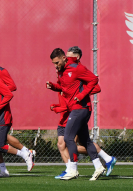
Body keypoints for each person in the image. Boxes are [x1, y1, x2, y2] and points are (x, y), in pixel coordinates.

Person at [50, 46, 116, 179]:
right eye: (54, 64)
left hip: (80, 109)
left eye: (57, 63)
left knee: (68, 138)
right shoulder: (62, 71)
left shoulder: (77, 68)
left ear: (66, 58)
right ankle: (99, 166)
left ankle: (72, 169)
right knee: (85, 141)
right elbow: (65, 89)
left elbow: (95, 83)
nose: (56, 66)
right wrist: (54, 87)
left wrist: (81, 95)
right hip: (74, 109)